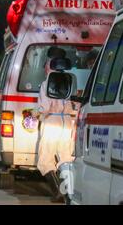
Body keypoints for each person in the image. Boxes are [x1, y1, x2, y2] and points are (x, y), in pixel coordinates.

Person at [34, 47, 76, 203]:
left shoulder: (47, 83)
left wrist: (34, 113)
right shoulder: (71, 80)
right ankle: (69, 193)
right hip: (67, 123)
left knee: (45, 160)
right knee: (66, 158)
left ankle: (58, 192)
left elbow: (44, 108)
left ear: (51, 63)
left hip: (52, 122)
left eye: (47, 63)